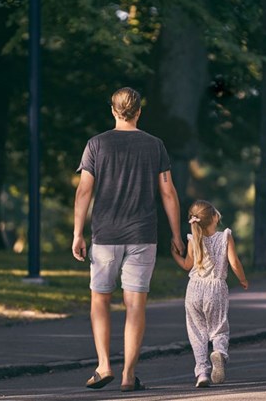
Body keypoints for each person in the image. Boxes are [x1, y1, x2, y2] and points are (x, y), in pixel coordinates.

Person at [72, 87, 184, 392]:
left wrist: (77, 232)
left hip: (105, 235)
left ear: (113, 110)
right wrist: (176, 234)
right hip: (142, 235)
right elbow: (168, 192)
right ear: (138, 112)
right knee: (135, 304)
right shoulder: (155, 146)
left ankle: (104, 364)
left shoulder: (96, 145)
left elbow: (84, 191)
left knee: (100, 298)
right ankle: (128, 376)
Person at [170, 199, 249, 388]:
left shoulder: (193, 239)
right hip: (216, 289)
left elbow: (187, 265)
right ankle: (219, 353)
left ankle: (202, 373)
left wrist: (175, 255)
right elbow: (234, 262)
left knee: (197, 333)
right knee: (219, 327)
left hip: (194, 290)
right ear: (214, 217)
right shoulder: (225, 237)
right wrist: (243, 279)